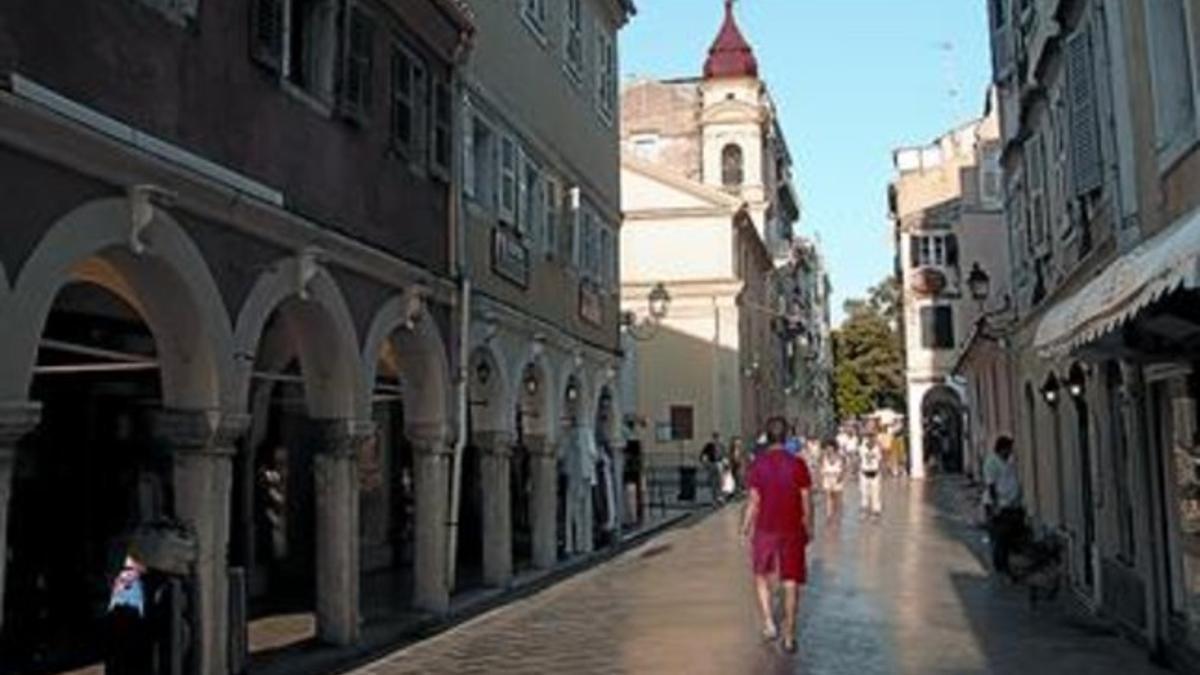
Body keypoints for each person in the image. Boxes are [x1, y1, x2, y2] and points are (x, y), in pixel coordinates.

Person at [740, 416, 813, 654]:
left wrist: (744, 527)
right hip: (792, 530)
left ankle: (770, 623)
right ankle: (790, 635)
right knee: (790, 582)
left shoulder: (758, 465)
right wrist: (809, 525)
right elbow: (806, 499)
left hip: (765, 529)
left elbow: (754, 500)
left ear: (766, 436)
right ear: (787, 437)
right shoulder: (798, 464)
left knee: (761, 575)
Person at [983, 436, 1023, 576]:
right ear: (1002, 449)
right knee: (1000, 536)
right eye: (1009, 449)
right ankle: (1000, 565)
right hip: (999, 505)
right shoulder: (992, 462)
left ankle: (1005, 562)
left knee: (1008, 535)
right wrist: (995, 506)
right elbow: (991, 485)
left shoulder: (1008, 461)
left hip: (1010, 504)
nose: (1011, 452)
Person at [820, 438, 845, 524]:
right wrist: (821, 477)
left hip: (836, 478)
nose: (828, 449)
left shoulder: (840, 456)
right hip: (827, 478)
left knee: (836, 498)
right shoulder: (823, 456)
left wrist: (841, 476)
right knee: (828, 497)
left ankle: (837, 513)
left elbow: (844, 468)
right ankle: (829, 515)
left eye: (830, 447)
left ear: (834, 447)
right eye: (827, 447)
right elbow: (821, 467)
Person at [859, 434, 883, 520]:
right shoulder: (862, 448)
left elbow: (880, 460)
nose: (871, 440)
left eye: (873, 438)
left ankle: (875, 511)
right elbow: (859, 459)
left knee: (875, 493)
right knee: (864, 493)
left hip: (875, 473)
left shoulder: (877, 449)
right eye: (869, 438)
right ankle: (864, 510)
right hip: (864, 473)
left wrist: (881, 471)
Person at [700, 433, 724, 505]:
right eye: (715, 438)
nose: (716, 440)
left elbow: (724, 455)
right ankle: (714, 499)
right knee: (713, 482)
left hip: (719, 464)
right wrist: (705, 463)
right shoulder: (709, 446)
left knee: (720, 482)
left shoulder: (721, 446)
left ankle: (719, 497)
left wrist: (725, 462)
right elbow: (702, 455)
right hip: (712, 464)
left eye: (717, 438)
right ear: (712, 438)